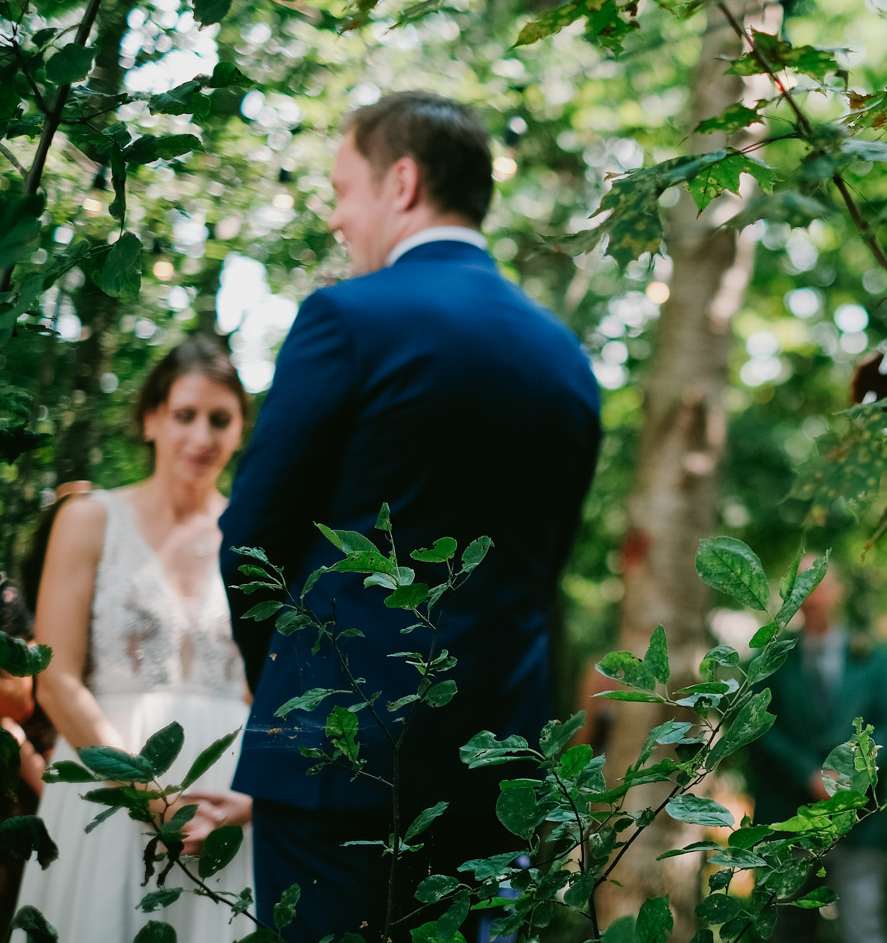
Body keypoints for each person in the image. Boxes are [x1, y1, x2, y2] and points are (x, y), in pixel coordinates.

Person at [219, 92, 601, 942]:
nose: (335, 217)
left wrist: (286, 688)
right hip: (496, 780)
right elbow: (537, 583)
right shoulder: (565, 360)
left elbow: (252, 545)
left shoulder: (347, 319)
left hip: (337, 769)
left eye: (342, 189)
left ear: (401, 181)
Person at [16, 337, 254, 940]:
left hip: (223, 805)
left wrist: (255, 798)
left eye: (220, 420)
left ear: (239, 431)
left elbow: (273, 690)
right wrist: (151, 797)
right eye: (184, 415)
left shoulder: (254, 535)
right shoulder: (90, 518)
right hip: (108, 787)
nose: (201, 437)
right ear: (151, 419)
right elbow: (56, 679)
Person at [749, 558, 887, 943]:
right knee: (783, 930)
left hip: (858, 822)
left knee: (864, 928)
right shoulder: (771, 660)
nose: (813, 595)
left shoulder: (875, 658)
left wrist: (848, 776)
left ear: (839, 591)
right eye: (804, 586)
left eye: (821, 584)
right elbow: (759, 728)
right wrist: (806, 773)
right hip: (786, 819)